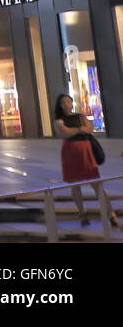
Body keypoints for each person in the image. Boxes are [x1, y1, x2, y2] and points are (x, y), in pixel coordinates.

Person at [54, 93, 118, 228]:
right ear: (60, 105)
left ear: (72, 103)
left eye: (68, 101)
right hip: (70, 153)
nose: (66, 104)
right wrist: (79, 129)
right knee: (75, 185)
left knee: (97, 184)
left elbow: (89, 128)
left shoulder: (80, 115)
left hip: (86, 151)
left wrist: (75, 130)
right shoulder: (59, 119)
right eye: (63, 102)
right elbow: (64, 132)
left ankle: (111, 215)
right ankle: (82, 214)